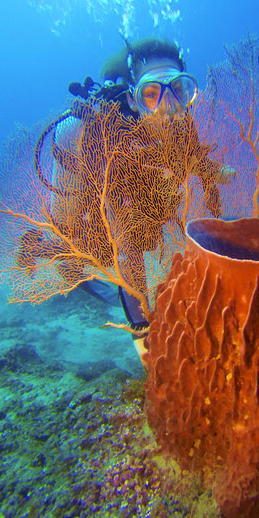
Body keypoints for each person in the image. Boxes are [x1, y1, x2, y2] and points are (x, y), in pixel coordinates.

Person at [29, 37, 229, 360]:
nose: (168, 105)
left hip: (138, 214)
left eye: (178, 90)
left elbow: (192, 156)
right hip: (93, 211)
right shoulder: (105, 136)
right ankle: (43, 247)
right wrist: (144, 338)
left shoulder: (179, 121)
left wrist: (213, 170)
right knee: (78, 255)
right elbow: (128, 249)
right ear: (134, 100)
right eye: (152, 94)